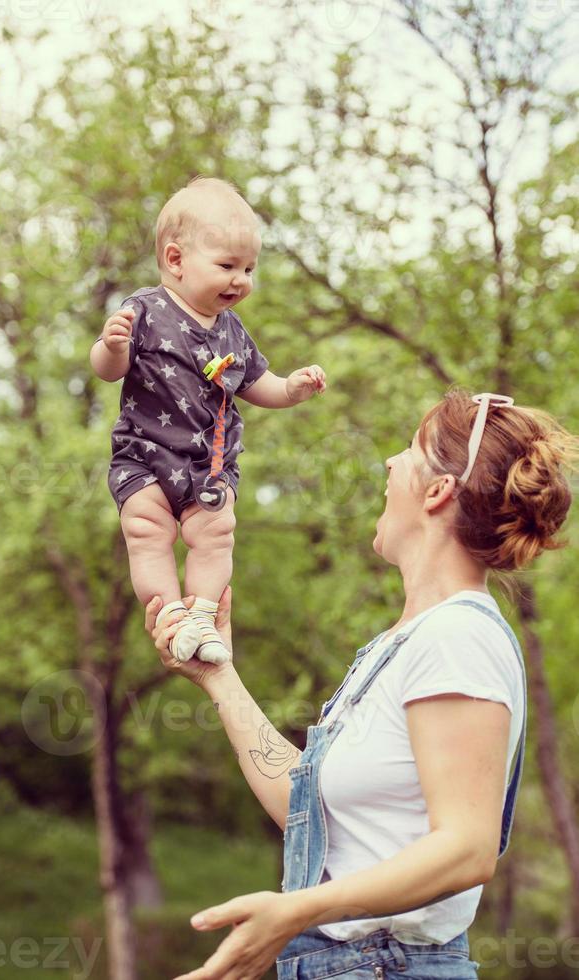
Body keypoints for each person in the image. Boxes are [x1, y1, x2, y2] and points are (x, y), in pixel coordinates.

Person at [145, 388, 578, 980]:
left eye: (409, 450)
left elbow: (467, 848)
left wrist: (295, 910)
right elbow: (308, 809)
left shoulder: (457, 637)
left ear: (437, 491)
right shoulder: (401, 644)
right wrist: (219, 677)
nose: (390, 464)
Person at [90, 176, 326, 666]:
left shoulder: (232, 331)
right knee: (146, 528)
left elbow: (259, 385)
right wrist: (111, 347)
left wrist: (292, 389)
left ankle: (202, 617)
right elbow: (109, 371)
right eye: (227, 266)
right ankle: (170, 615)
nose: (240, 280)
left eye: (249, 268)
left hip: (210, 463)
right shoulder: (146, 311)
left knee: (216, 534)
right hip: (145, 456)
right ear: (176, 260)